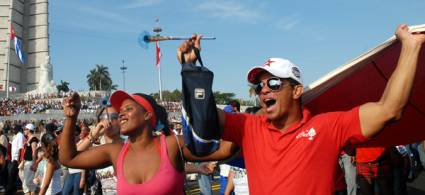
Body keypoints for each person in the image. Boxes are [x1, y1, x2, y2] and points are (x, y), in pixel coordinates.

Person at [177, 24, 425, 194]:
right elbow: (205, 119)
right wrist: (191, 71)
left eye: (274, 83)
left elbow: (390, 109)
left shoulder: (327, 126)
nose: (264, 90)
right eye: (259, 85)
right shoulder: (248, 126)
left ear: (297, 91)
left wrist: (410, 48)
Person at [59, 91, 235, 194]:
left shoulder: (172, 145)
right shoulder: (115, 151)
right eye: (120, 110)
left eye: (128, 109)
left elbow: (224, 150)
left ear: (147, 115)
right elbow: (68, 159)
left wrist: (221, 114)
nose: (121, 114)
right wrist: (71, 117)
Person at [22, 123, 39, 195]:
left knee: (28, 182)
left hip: (30, 162)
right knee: (26, 183)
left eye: (25, 129)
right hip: (27, 162)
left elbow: (34, 152)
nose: (24, 130)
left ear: (29, 130)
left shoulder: (33, 139)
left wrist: (34, 164)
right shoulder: (29, 139)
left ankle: (36, 189)